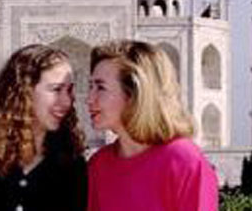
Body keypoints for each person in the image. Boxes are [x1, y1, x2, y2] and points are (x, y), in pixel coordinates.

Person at [0, 44, 87, 211]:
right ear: (25, 92)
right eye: (56, 89)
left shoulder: (70, 163)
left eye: (69, 90)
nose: (67, 101)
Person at [86, 40, 218, 211]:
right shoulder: (99, 165)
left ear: (135, 94)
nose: (89, 99)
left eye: (100, 88)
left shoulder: (183, 161)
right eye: (90, 87)